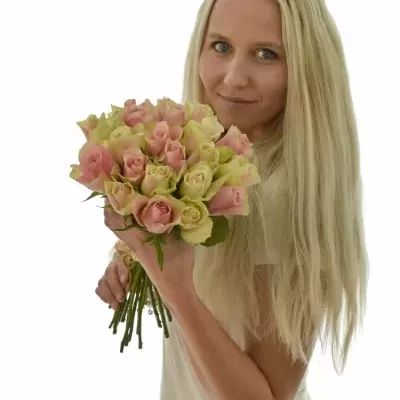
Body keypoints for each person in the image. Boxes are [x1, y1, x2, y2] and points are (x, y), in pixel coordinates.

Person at [97, 0, 369, 398]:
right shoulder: (212, 163)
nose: (233, 77)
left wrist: (173, 286)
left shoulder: (279, 197)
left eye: (267, 54)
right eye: (221, 46)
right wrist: (138, 255)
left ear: (306, 69)